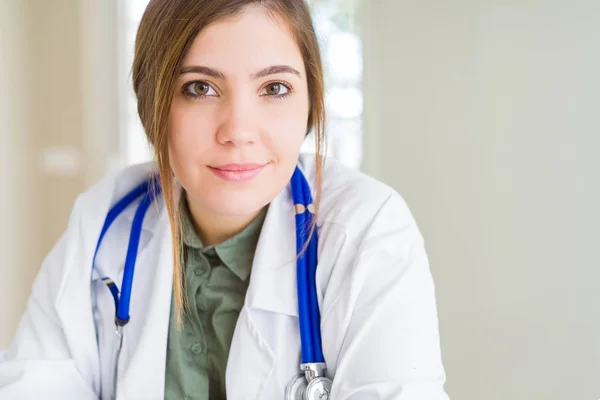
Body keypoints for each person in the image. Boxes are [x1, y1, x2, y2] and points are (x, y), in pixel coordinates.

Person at [0, 0, 450, 398]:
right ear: (152, 104)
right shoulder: (103, 221)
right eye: (200, 88)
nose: (237, 130)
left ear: (310, 104)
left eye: (274, 88)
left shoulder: (366, 230)